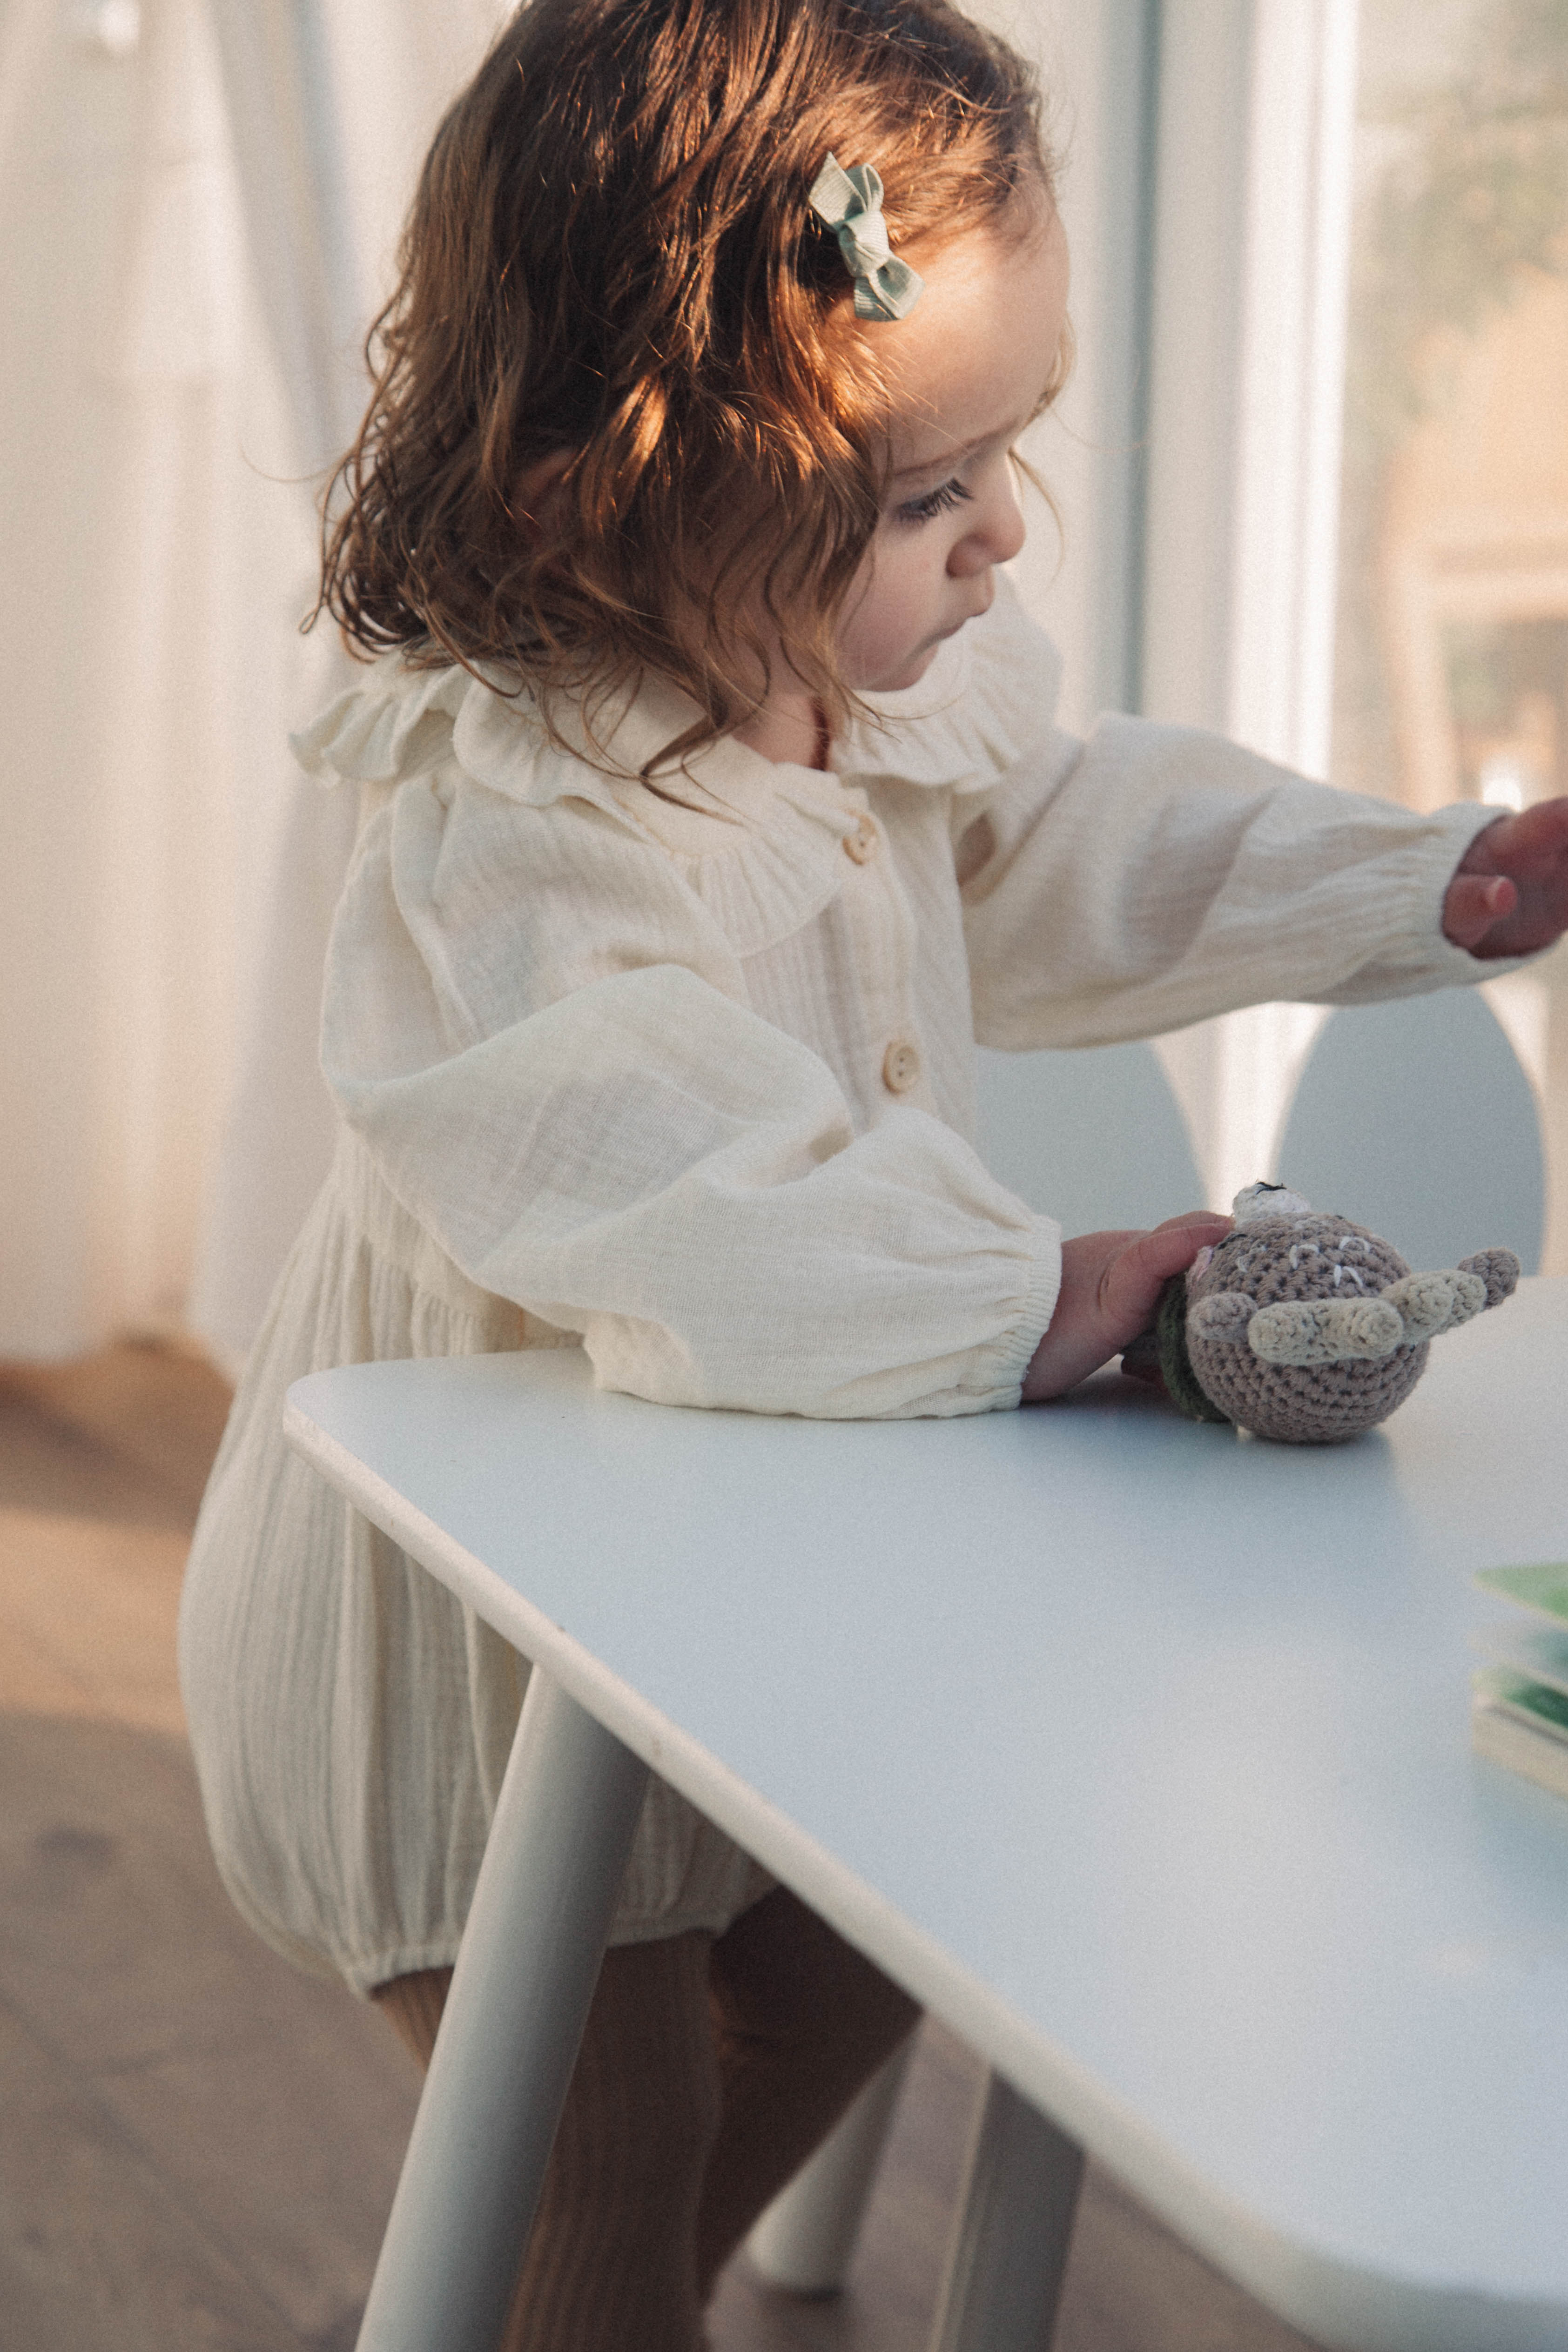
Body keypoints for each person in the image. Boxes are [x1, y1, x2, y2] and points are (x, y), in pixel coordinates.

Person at [178, 2, 1568, 2344]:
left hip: (759, 1571)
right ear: (589, 507)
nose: (1004, 531)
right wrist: (1055, 1287)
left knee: (920, 1911)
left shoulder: (864, 676)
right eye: (928, 498)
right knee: (588, 2170)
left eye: (1001, 460)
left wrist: (1412, 881)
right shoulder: (504, 832)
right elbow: (691, 1180)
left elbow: (1080, 841)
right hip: (477, 1663)